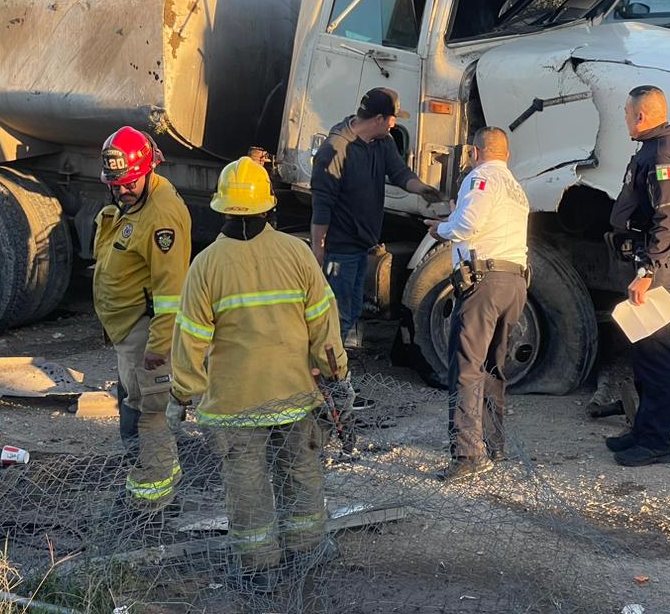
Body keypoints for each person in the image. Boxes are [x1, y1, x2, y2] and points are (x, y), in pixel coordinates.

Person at [169, 157, 352, 590]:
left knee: (246, 486)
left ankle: (258, 566)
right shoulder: (296, 254)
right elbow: (324, 327)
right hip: (293, 394)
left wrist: (182, 394)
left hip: (234, 404)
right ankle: (307, 552)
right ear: (269, 208)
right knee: (301, 472)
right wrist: (336, 375)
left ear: (222, 208)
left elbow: (190, 341)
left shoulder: (206, 266)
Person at [93, 126, 191, 510]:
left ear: (149, 170)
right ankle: (146, 479)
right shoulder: (132, 205)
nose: (121, 190)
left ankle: (152, 501)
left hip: (145, 333)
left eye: (129, 183)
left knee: (151, 414)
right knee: (133, 406)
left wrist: (159, 347)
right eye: (115, 184)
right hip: (128, 330)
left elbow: (171, 293)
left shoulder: (162, 215)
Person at [427, 127, 530, 481]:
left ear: (474, 151)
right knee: (492, 367)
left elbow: (467, 225)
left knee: (467, 366)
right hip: (514, 282)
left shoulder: (481, 177)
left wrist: (439, 229)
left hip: (484, 281)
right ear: (508, 154)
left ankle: (468, 455)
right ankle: (493, 443)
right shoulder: (516, 188)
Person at [311, 87, 444, 350]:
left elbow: (398, 172)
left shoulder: (383, 142)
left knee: (350, 312)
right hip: (340, 248)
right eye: (394, 118)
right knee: (339, 314)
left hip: (363, 246)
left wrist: (424, 190)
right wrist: (318, 248)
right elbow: (322, 203)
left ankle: (334, 371)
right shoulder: (336, 149)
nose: (396, 123)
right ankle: (325, 375)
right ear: (380, 119)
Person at [605, 85, 670, 467]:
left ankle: (657, 442)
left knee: (657, 357)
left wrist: (646, 272)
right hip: (647, 262)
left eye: (627, 113)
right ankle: (643, 431)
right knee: (644, 353)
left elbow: (667, 222)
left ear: (641, 115)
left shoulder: (662, 156)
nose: (625, 119)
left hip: (654, 266)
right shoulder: (654, 148)